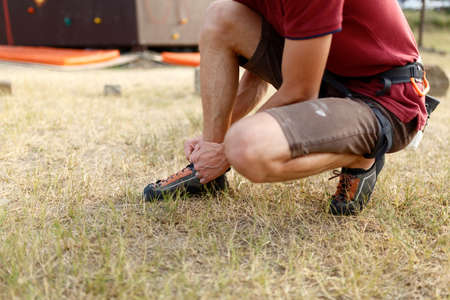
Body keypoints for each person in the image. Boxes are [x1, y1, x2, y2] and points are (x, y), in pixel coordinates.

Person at [143, 0, 428, 215]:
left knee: (246, 148)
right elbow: (257, 76)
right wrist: (212, 145)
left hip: (382, 96)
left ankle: (361, 156)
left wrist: (227, 151)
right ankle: (206, 175)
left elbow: (300, 91)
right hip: (324, 75)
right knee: (222, 16)